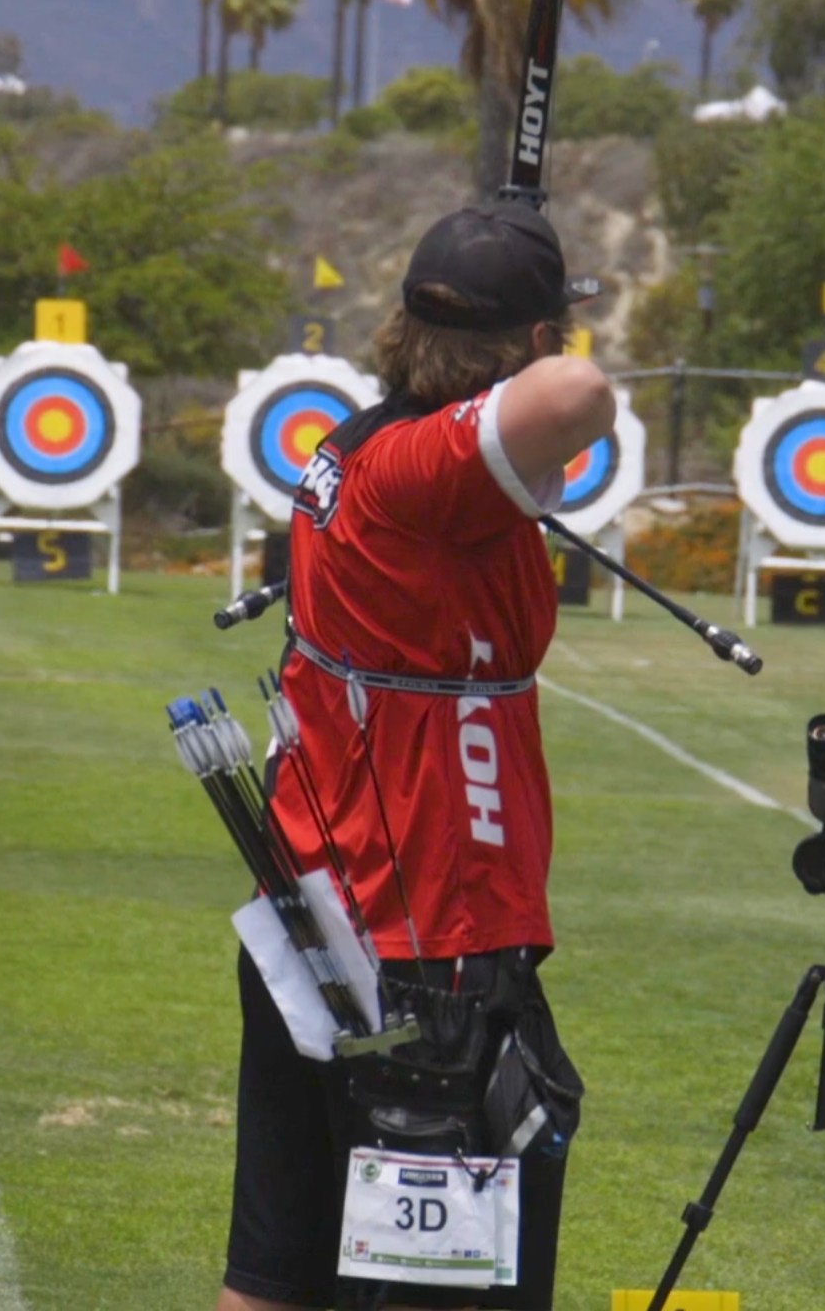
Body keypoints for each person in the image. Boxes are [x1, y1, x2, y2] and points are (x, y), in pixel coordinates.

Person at [218, 201, 614, 1311]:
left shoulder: (358, 450)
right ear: (532, 345)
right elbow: (581, 400)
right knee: (437, 1290)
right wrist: (536, 364)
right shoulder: (421, 472)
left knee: (274, 1269)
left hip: (311, 923)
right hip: (424, 945)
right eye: (557, 330)